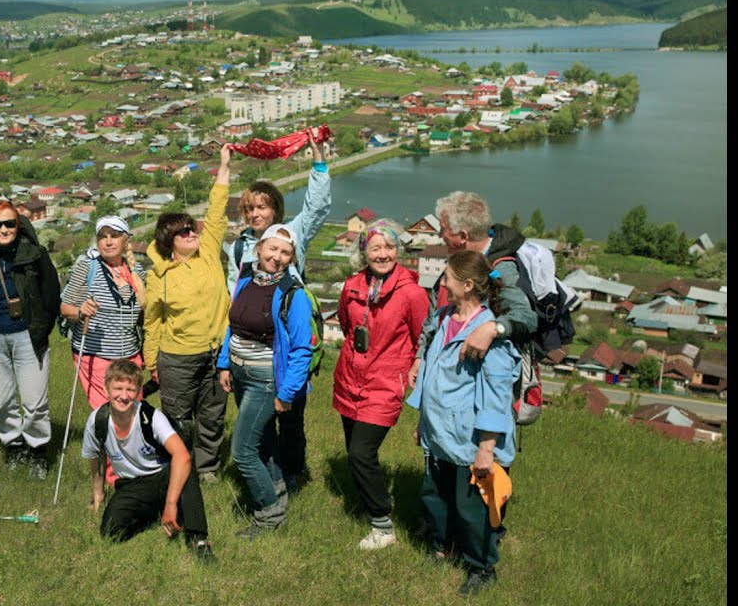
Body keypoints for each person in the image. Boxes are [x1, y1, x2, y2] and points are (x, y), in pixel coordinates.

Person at [406, 250, 521, 596]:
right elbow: (431, 375)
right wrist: (423, 424)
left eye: (448, 278)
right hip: (439, 435)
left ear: (468, 285)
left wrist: (486, 449)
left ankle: (481, 567)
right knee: (436, 497)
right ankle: (443, 547)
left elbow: (496, 397)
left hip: (469, 441)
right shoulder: (444, 318)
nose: (442, 283)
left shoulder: (489, 337)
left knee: (471, 509)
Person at [226, 133, 330, 490]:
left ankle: (293, 472)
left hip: (284, 345)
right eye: (250, 208)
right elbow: (232, 291)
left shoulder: (290, 232)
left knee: (291, 415)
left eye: (263, 207)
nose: (256, 214)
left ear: (275, 210)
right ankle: (271, 474)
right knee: (258, 421)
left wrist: (318, 164)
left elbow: (317, 207)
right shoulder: (240, 246)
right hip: (251, 351)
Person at [331, 218, 429, 550]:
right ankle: (369, 502)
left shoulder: (412, 294)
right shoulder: (352, 286)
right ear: (364, 252)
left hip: (384, 383)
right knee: (354, 452)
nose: (383, 254)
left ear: (398, 251)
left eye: (389, 247)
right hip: (349, 378)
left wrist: (409, 371)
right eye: (376, 247)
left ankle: (382, 526)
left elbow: (422, 341)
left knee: (361, 453)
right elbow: (347, 327)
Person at [215, 224, 313, 539]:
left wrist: (286, 394)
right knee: (264, 443)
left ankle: (269, 515)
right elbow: (233, 325)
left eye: (285, 253)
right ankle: (277, 490)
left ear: (292, 258)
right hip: (241, 374)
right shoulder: (245, 280)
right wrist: (224, 364)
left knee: (242, 450)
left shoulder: (292, 295)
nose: (278, 257)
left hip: (265, 381)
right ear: (259, 249)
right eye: (273, 249)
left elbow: (301, 350)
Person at [143, 144, 232, 483]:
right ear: (169, 240)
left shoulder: (208, 252)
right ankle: (178, 467)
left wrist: (224, 165)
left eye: (192, 228)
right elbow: (152, 321)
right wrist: (152, 362)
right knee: (178, 417)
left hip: (217, 352)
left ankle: (207, 468)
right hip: (177, 357)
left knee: (212, 414)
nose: (192, 233)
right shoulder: (159, 275)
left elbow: (218, 208)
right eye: (183, 232)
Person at [0, 199, 61, 480]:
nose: (4, 229)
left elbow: (51, 293)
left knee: (34, 402)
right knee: (2, 401)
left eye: (9, 223)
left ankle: (38, 450)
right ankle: (13, 447)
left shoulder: (35, 254)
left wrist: (43, 326)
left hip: (29, 338)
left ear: (19, 225)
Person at [82, 359, 215, 564]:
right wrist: (98, 493)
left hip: (162, 475)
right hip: (132, 483)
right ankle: (157, 512)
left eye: (130, 389)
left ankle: (198, 539)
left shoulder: (151, 416)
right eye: (118, 388)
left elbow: (182, 456)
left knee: (184, 468)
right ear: (106, 388)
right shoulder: (97, 420)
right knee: (111, 532)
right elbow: (95, 455)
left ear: (138, 392)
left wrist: (171, 503)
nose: (124, 396)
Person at [412, 191, 536, 383]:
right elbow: (434, 313)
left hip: (479, 380)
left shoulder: (500, 269)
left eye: (443, 229)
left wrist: (493, 329)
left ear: (463, 236)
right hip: (445, 375)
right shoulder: (458, 261)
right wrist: (421, 355)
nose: (440, 235)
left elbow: (525, 317)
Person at [59, 215, 147, 410]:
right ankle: (105, 442)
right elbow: (65, 308)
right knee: (107, 411)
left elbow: (143, 315)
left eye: (114, 236)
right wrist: (81, 312)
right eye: (102, 236)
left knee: (132, 411)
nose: (108, 241)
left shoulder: (137, 271)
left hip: (131, 356)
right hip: (96, 356)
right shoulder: (87, 267)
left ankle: (130, 442)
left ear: (126, 240)